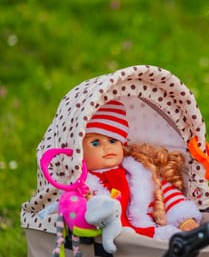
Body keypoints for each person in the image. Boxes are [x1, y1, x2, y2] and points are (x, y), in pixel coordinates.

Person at [82, 100, 202, 240]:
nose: (107, 147)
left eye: (113, 141)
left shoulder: (138, 174)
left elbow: (165, 194)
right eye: (95, 143)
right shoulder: (84, 185)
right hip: (107, 239)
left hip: (147, 233)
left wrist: (184, 220)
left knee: (176, 239)